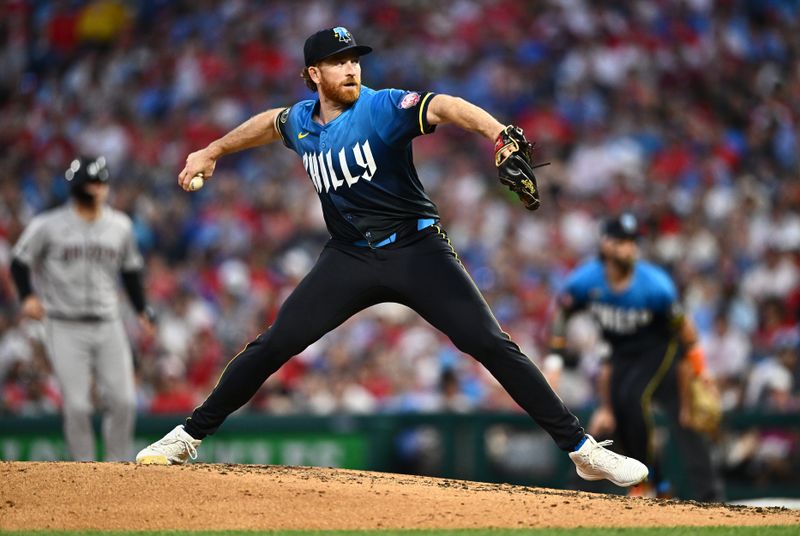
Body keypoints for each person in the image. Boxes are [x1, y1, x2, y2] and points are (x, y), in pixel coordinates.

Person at [136, 26, 648, 489]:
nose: (351, 67)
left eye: (355, 58)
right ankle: (187, 436)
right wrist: (212, 151)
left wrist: (496, 133)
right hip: (350, 257)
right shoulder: (300, 122)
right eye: (338, 61)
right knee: (275, 344)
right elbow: (269, 124)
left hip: (416, 248)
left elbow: (445, 105)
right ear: (313, 74)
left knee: (489, 343)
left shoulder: (382, 107)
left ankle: (582, 451)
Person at [549, 213, 722, 500]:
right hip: (623, 357)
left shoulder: (654, 286)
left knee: (675, 418)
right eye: (621, 241)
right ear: (605, 243)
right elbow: (563, 311)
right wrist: (554, 359)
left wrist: (701, 371)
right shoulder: (586, 279)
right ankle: (655, 484)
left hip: (662, 355)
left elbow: (686, 333)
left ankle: (704, 498)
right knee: (619, 411)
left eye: (631, 242)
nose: (628, 248)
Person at [10, 155, 155, 461]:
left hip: (108, 322)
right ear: (76, 188)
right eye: (89, 183)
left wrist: (142, 309)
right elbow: (19, 261)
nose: (95, 189)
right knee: (77, 406)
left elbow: (130, 272)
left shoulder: (120, 225)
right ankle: (83, 472)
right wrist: (27, 296)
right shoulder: (47, 225)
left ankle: (117, 467)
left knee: (124, 401)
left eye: (99, 182)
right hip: (64, 323)